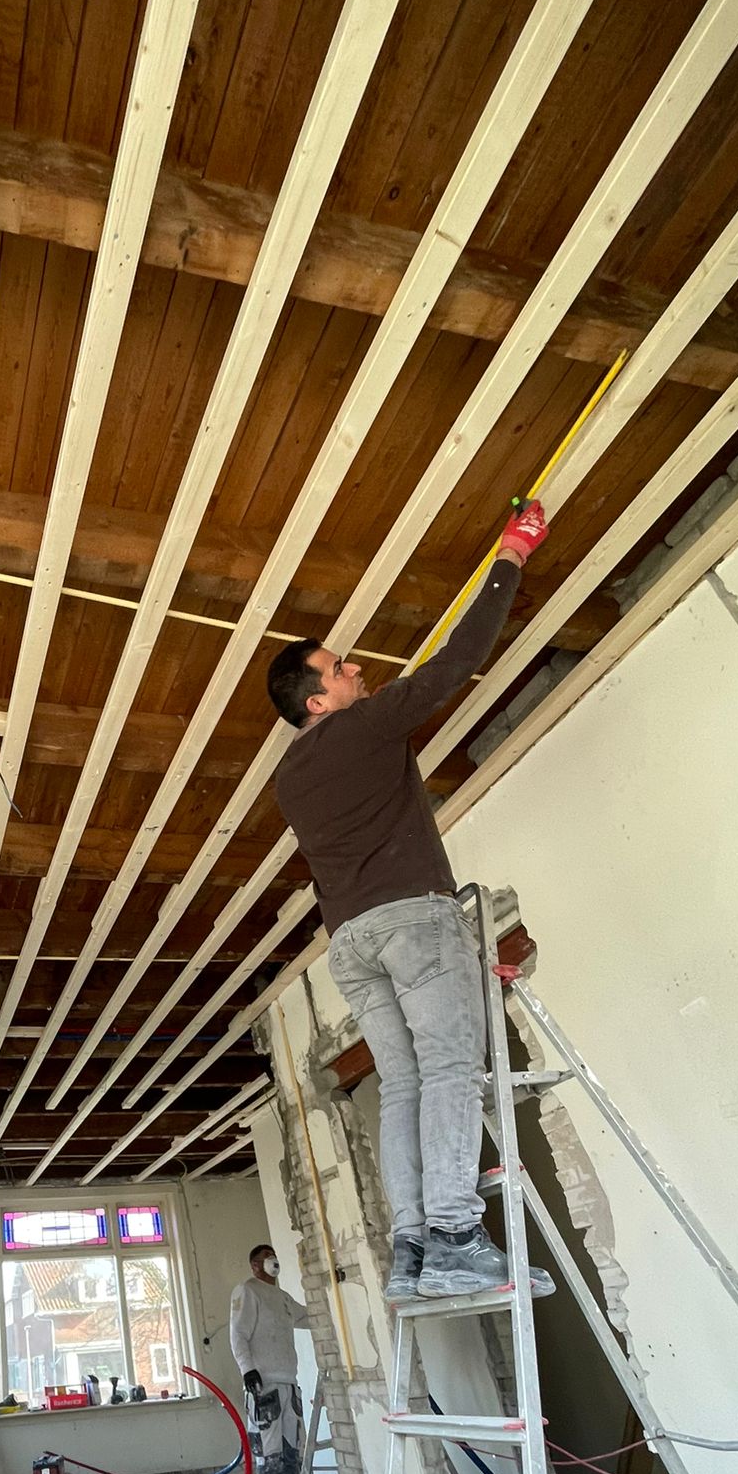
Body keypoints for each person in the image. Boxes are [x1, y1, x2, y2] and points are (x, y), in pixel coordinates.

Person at [266, 501, 555, 1305]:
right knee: (451, 1069)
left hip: (351, 945)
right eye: (340, 669)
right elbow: (459, 659)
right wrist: (511, 555)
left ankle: (414, 1249)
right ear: (317, 701)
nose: (355, 669)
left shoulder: (288, 779)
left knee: (403, 1085)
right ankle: (457, 1237)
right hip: (413, 926)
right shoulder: (362, 727)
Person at [229, 1244, 312, 1474]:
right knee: (269, 1451)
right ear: (254, 1265)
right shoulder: (248, 1291)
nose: (272, 1260)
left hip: (289, 1382)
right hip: (264, 1384)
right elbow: (238, 1332)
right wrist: (247, 1368)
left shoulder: (283, 1298)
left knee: (292, 1449)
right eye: (265, 1257)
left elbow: (309, 1317)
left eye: (273, 1255)